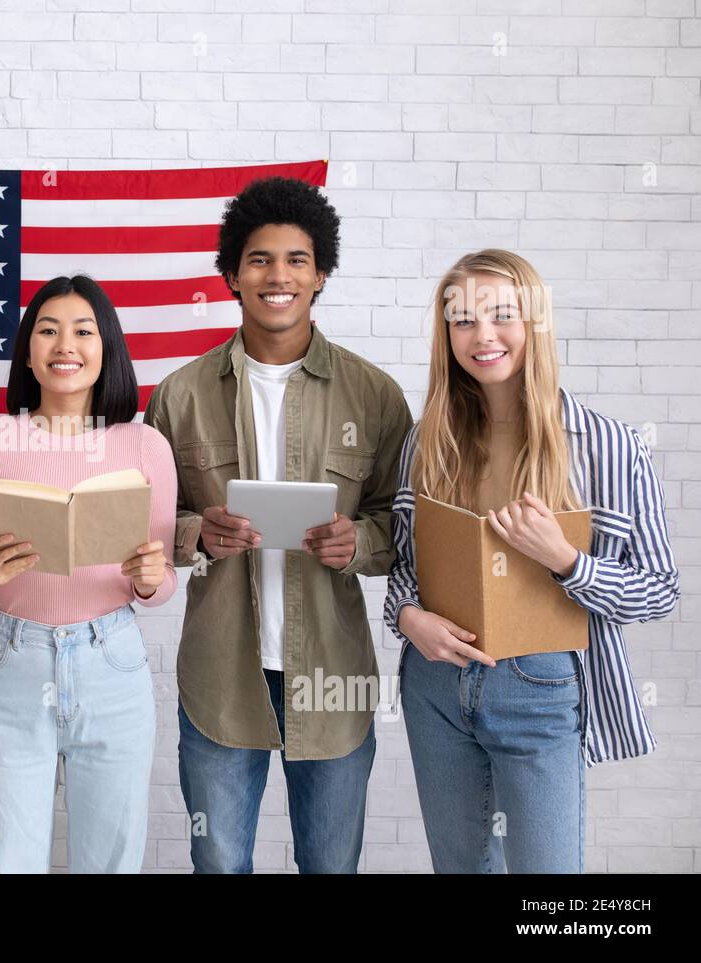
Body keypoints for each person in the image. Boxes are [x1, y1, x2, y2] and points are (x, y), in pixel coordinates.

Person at [144, 176, 413, 873]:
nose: (278, 275)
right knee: (220, 864)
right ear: (232, 273)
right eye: (260, 258)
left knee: (330, 865)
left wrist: (362, 542)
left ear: (320, 272)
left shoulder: (375, 394)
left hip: (333, 672)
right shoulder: (180, 395)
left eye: (297, 259)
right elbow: (142, 522)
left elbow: (400, 523)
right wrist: (194, 534)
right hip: (220, 672)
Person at [385, 249, 679, 873]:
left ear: (535, 323)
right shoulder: (427, 439)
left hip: (543, 684)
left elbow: (659, 589)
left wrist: (569, 562)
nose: (482, 336)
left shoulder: (605, 445)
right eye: (462, 320)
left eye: (501, 315)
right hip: (436, 682)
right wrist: (408, 617)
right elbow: (407, 565)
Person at [0, 274, 177, 872]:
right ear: (28, 350)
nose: (64, 344)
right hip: (12, 659)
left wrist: (152, 576)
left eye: (83, 331)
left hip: (113, 660)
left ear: (107, 350)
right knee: (9, 854)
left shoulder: (143, 445)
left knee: (111, 856)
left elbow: (161, 583)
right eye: (47, 330)